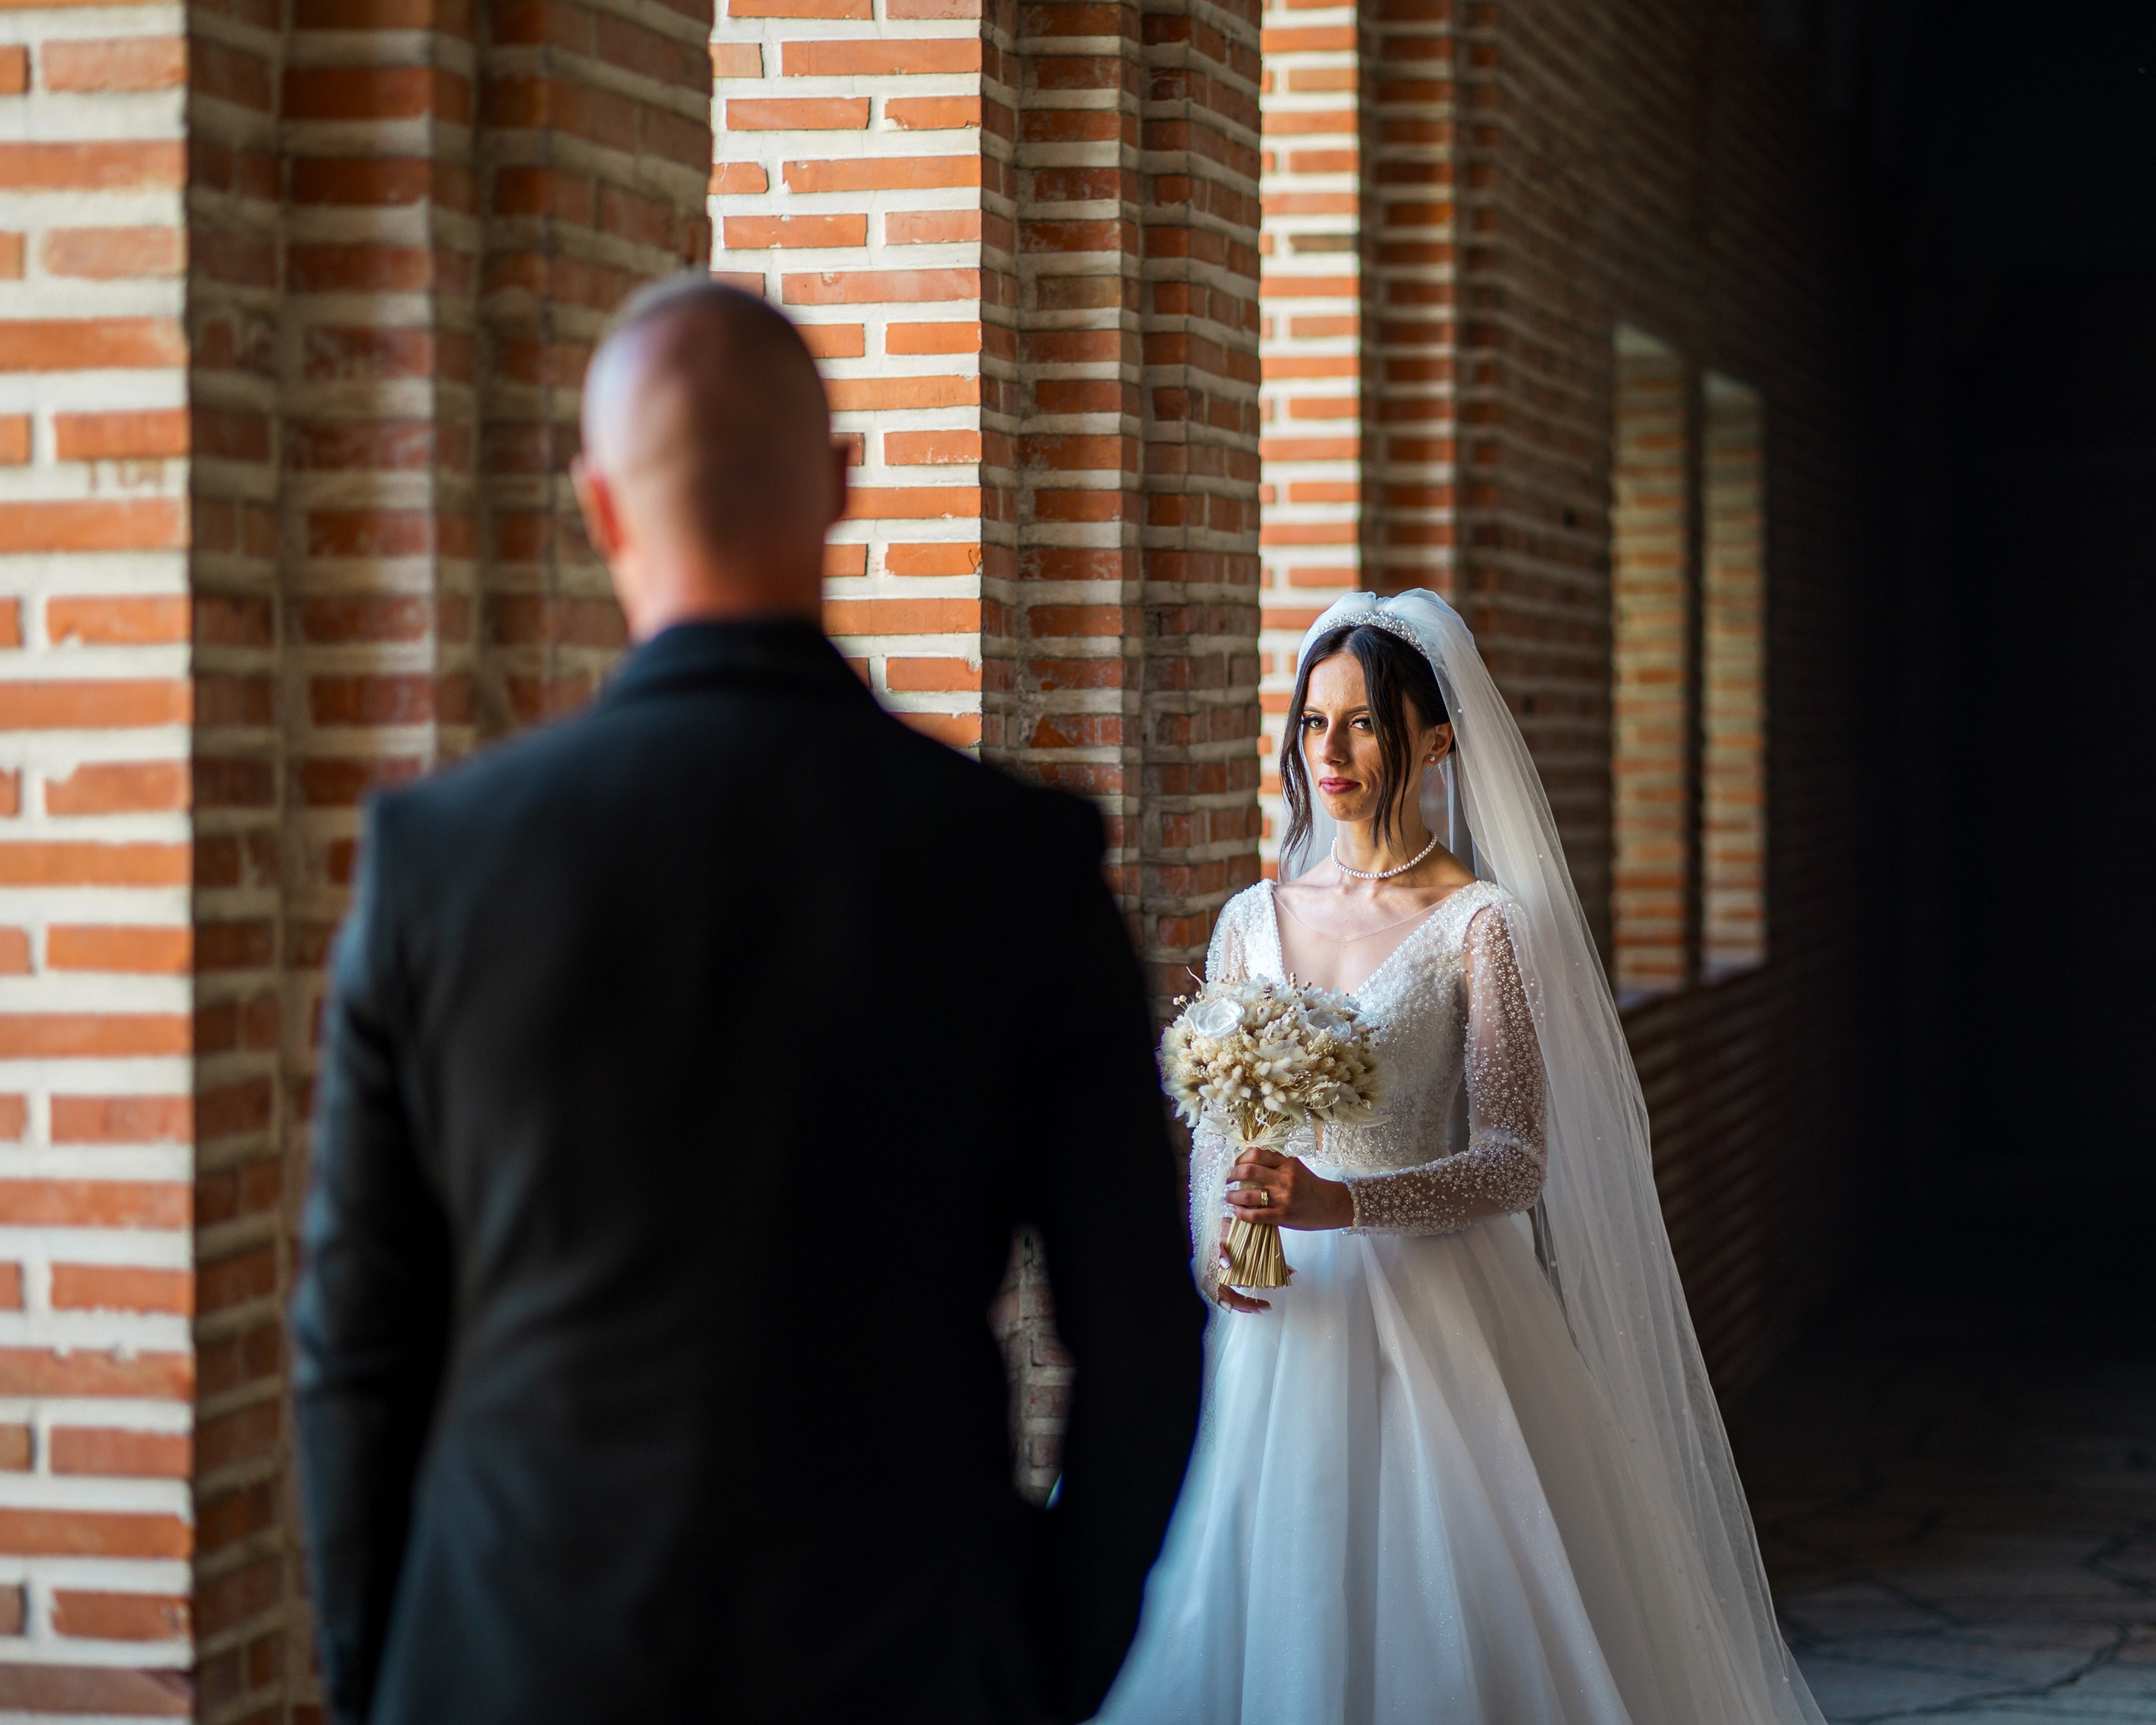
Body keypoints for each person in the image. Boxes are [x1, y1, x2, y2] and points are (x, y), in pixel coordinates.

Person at [290, 275, 1205, 1725]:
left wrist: (385, 1676)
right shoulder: (1015, 865)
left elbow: (356, 1347)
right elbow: (1145, 1340)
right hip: (900, 1656)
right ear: (843, 485)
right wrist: (1036, 1663)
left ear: (601, 509)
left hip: (511, 1659)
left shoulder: (438, 864)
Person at [1092, 592, 1828, 1724]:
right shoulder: (1251, 917)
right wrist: (1219, 1247)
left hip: (1439, 1315)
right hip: (1275, 1326)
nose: (1328, 753)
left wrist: (1343, 1203)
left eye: (1364, 725)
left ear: (1434, 740)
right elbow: (1223, 1131)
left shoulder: (1482, 924)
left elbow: (1514, 1162)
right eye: (1312, 725)